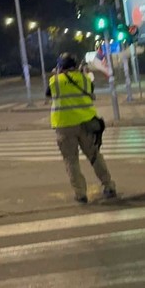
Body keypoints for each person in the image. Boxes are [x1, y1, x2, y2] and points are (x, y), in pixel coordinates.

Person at [46, 53, 116, 204]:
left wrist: (57, 74)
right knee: (95, 156)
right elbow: (90, 89)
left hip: (64, 126)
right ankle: (108, 185)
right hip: (86, 125)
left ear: (60, 66)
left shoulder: (55, 81)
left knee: (71, 162)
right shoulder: (85, 79)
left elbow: (48, 94)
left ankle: (80, 194)